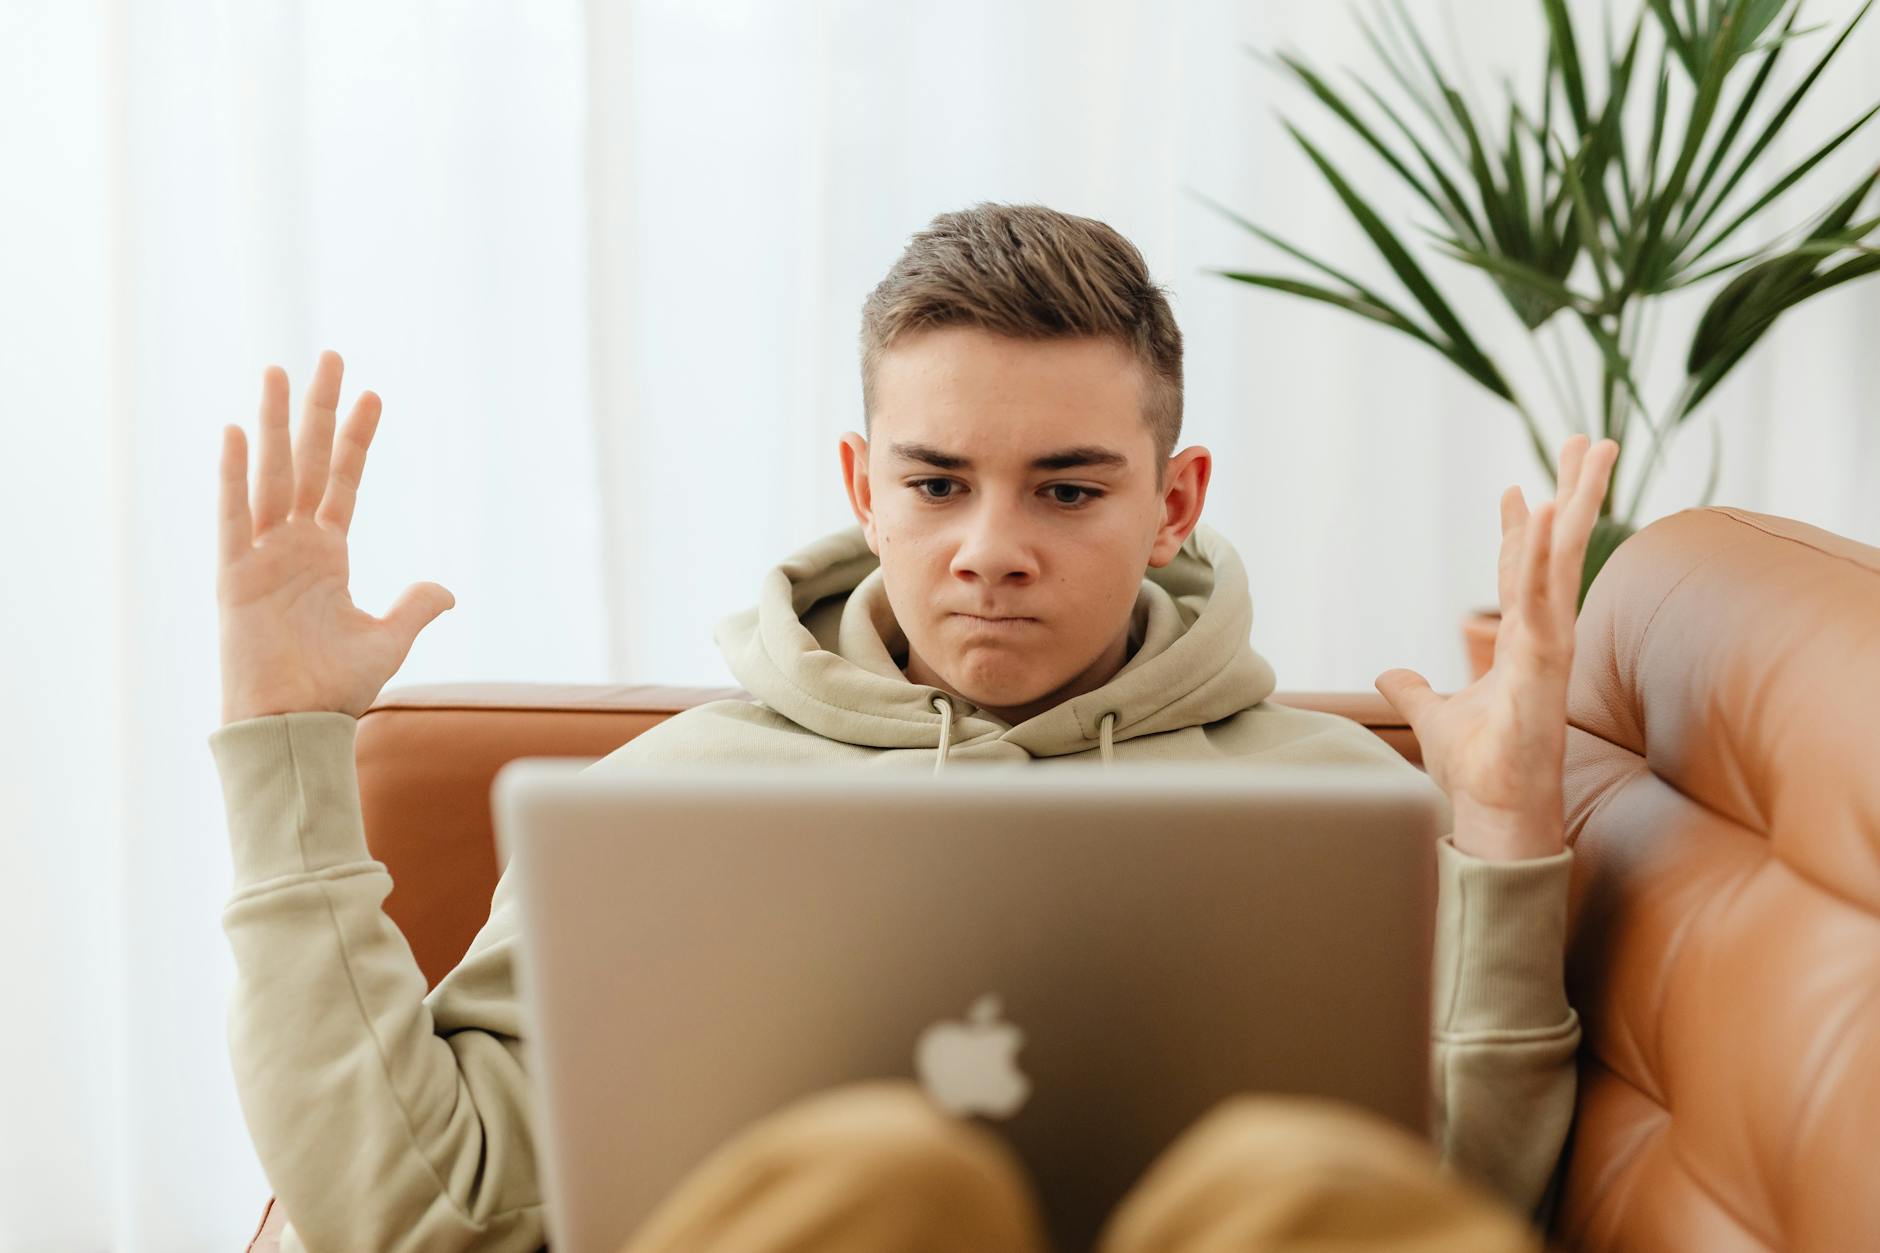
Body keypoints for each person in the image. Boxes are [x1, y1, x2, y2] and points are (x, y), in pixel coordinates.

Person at [210, 202, 1615, 1253]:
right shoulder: (672, 804)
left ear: (1174, 503)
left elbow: (1456, 1206)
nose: (990, 548)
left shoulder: (1329, 809)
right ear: (863, 485)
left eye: (1067, 491)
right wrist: (284, 747)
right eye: (937, 484)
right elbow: (425, 1210)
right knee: (886, 1176)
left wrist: (1502, 847)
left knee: (1302, 1187)